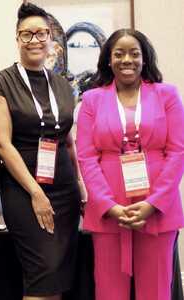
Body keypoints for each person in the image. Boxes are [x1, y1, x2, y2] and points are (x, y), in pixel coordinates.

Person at [76, 28, 184, 300]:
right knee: (110, 291)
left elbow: (178, 151)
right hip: (109, 211)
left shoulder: (167, 95)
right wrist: (108, 205)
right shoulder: (91, 100)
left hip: (157, 208)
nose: (127, 60)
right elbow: (86, 157)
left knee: (157, 291)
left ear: (144, 59)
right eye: (119, 54)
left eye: (134, 53)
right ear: (109, 60)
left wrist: (153, 202)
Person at [0, 3, 82, 300]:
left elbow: (68, 140)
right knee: (42, 273)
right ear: (17, 39)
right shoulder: (1, 82)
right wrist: (36, 193)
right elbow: (3, 144)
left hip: (64, 191)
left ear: (51, 38)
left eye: (41, 33)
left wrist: (79, 182)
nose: (35, 40)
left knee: (58, 278)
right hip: (25, 191)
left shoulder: (63, 86)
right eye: (26, 34)